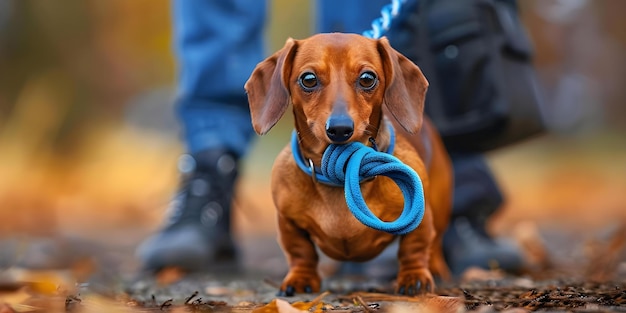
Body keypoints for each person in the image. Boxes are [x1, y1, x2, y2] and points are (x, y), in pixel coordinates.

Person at [136, 0, 524, 277]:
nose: (339, 116)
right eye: (309, 80)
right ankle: (211, 173)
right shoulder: (286, 179)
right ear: (283, 84)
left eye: (367, 79)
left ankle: (430, 212)